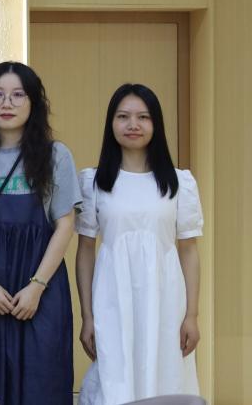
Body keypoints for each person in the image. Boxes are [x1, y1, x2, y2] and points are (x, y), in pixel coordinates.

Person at [0, 62, 80, 404]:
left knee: (41, 384)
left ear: (34, 102)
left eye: (18, 95)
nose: (6, 103)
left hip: (41, 292)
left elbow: (64, 225)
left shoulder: (56, 155)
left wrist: (36, 287)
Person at [76, 83, 203, 405]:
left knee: (165, 375)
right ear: (111, 123)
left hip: (166, 299)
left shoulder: (180, 183)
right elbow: (85, 251)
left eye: (143, 117)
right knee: (114, 378)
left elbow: (189, 250)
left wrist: (191, 315)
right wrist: (87, 316)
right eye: (123, 116)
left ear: (155, 124)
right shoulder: (93, 182)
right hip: (111, 298)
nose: (133, 124)